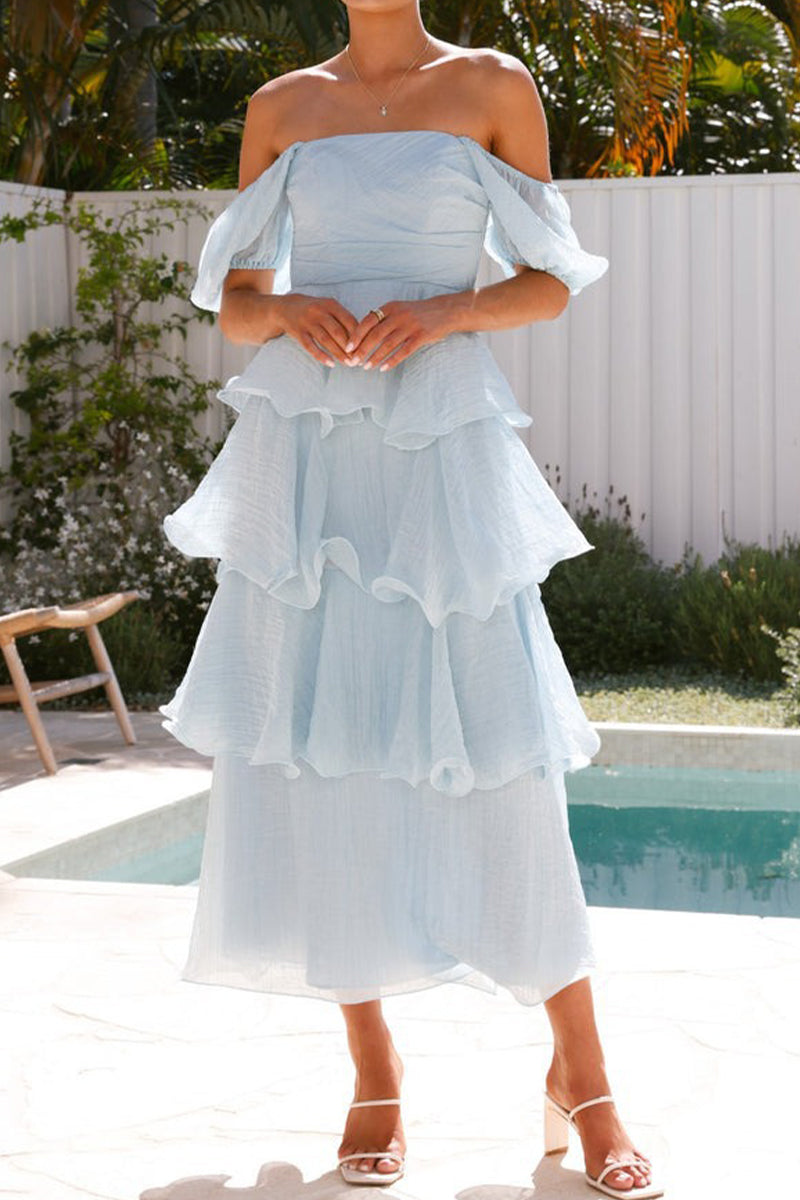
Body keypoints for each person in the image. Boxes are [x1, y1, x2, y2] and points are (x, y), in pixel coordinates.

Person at [159, 2, 661, 1196]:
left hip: (442, 447)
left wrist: (445, 310)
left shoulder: (491, 84)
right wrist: (287, 311)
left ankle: (582, 1077)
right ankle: (373, 1067)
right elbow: (235, 302)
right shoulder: (282, 107)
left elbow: (546, 283)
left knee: (500, 750)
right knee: (322, 743)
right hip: (312, 459)